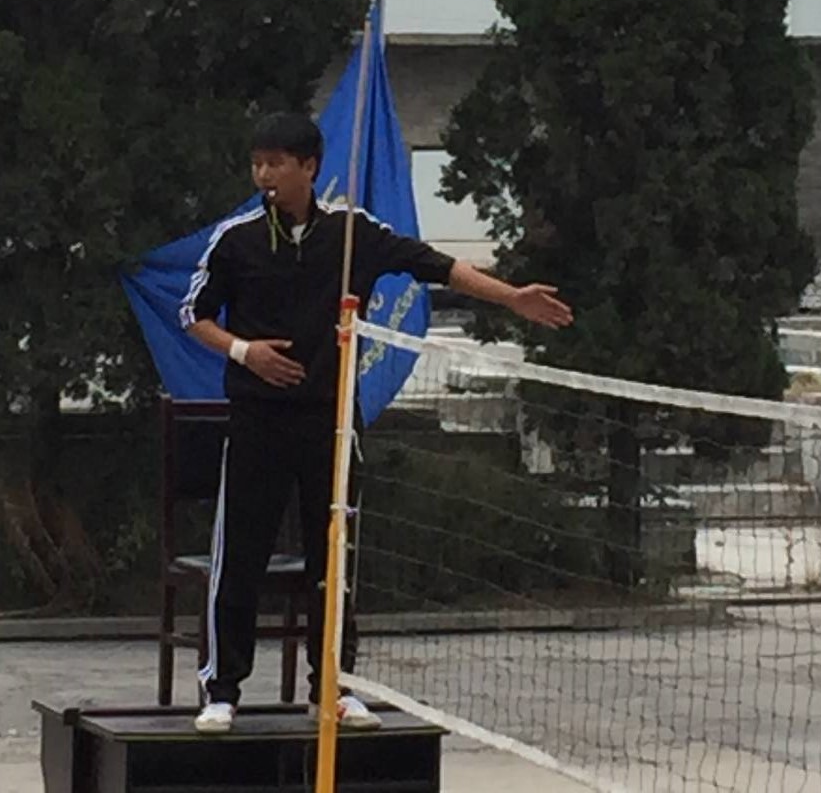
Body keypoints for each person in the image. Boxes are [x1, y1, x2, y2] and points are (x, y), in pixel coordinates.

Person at [181, 112, 573, 733]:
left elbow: (435, 264)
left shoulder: (352, 234)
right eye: (257, 164)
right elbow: (194, 315)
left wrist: (512, 296)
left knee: (333, 560)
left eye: (276, 163)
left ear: (309, 167)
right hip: (258, 421)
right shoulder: (236, 239)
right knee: (241, 558)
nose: (264, 175)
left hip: (332, 423)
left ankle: (333, 687)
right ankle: (221, 690)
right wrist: (244, 352)